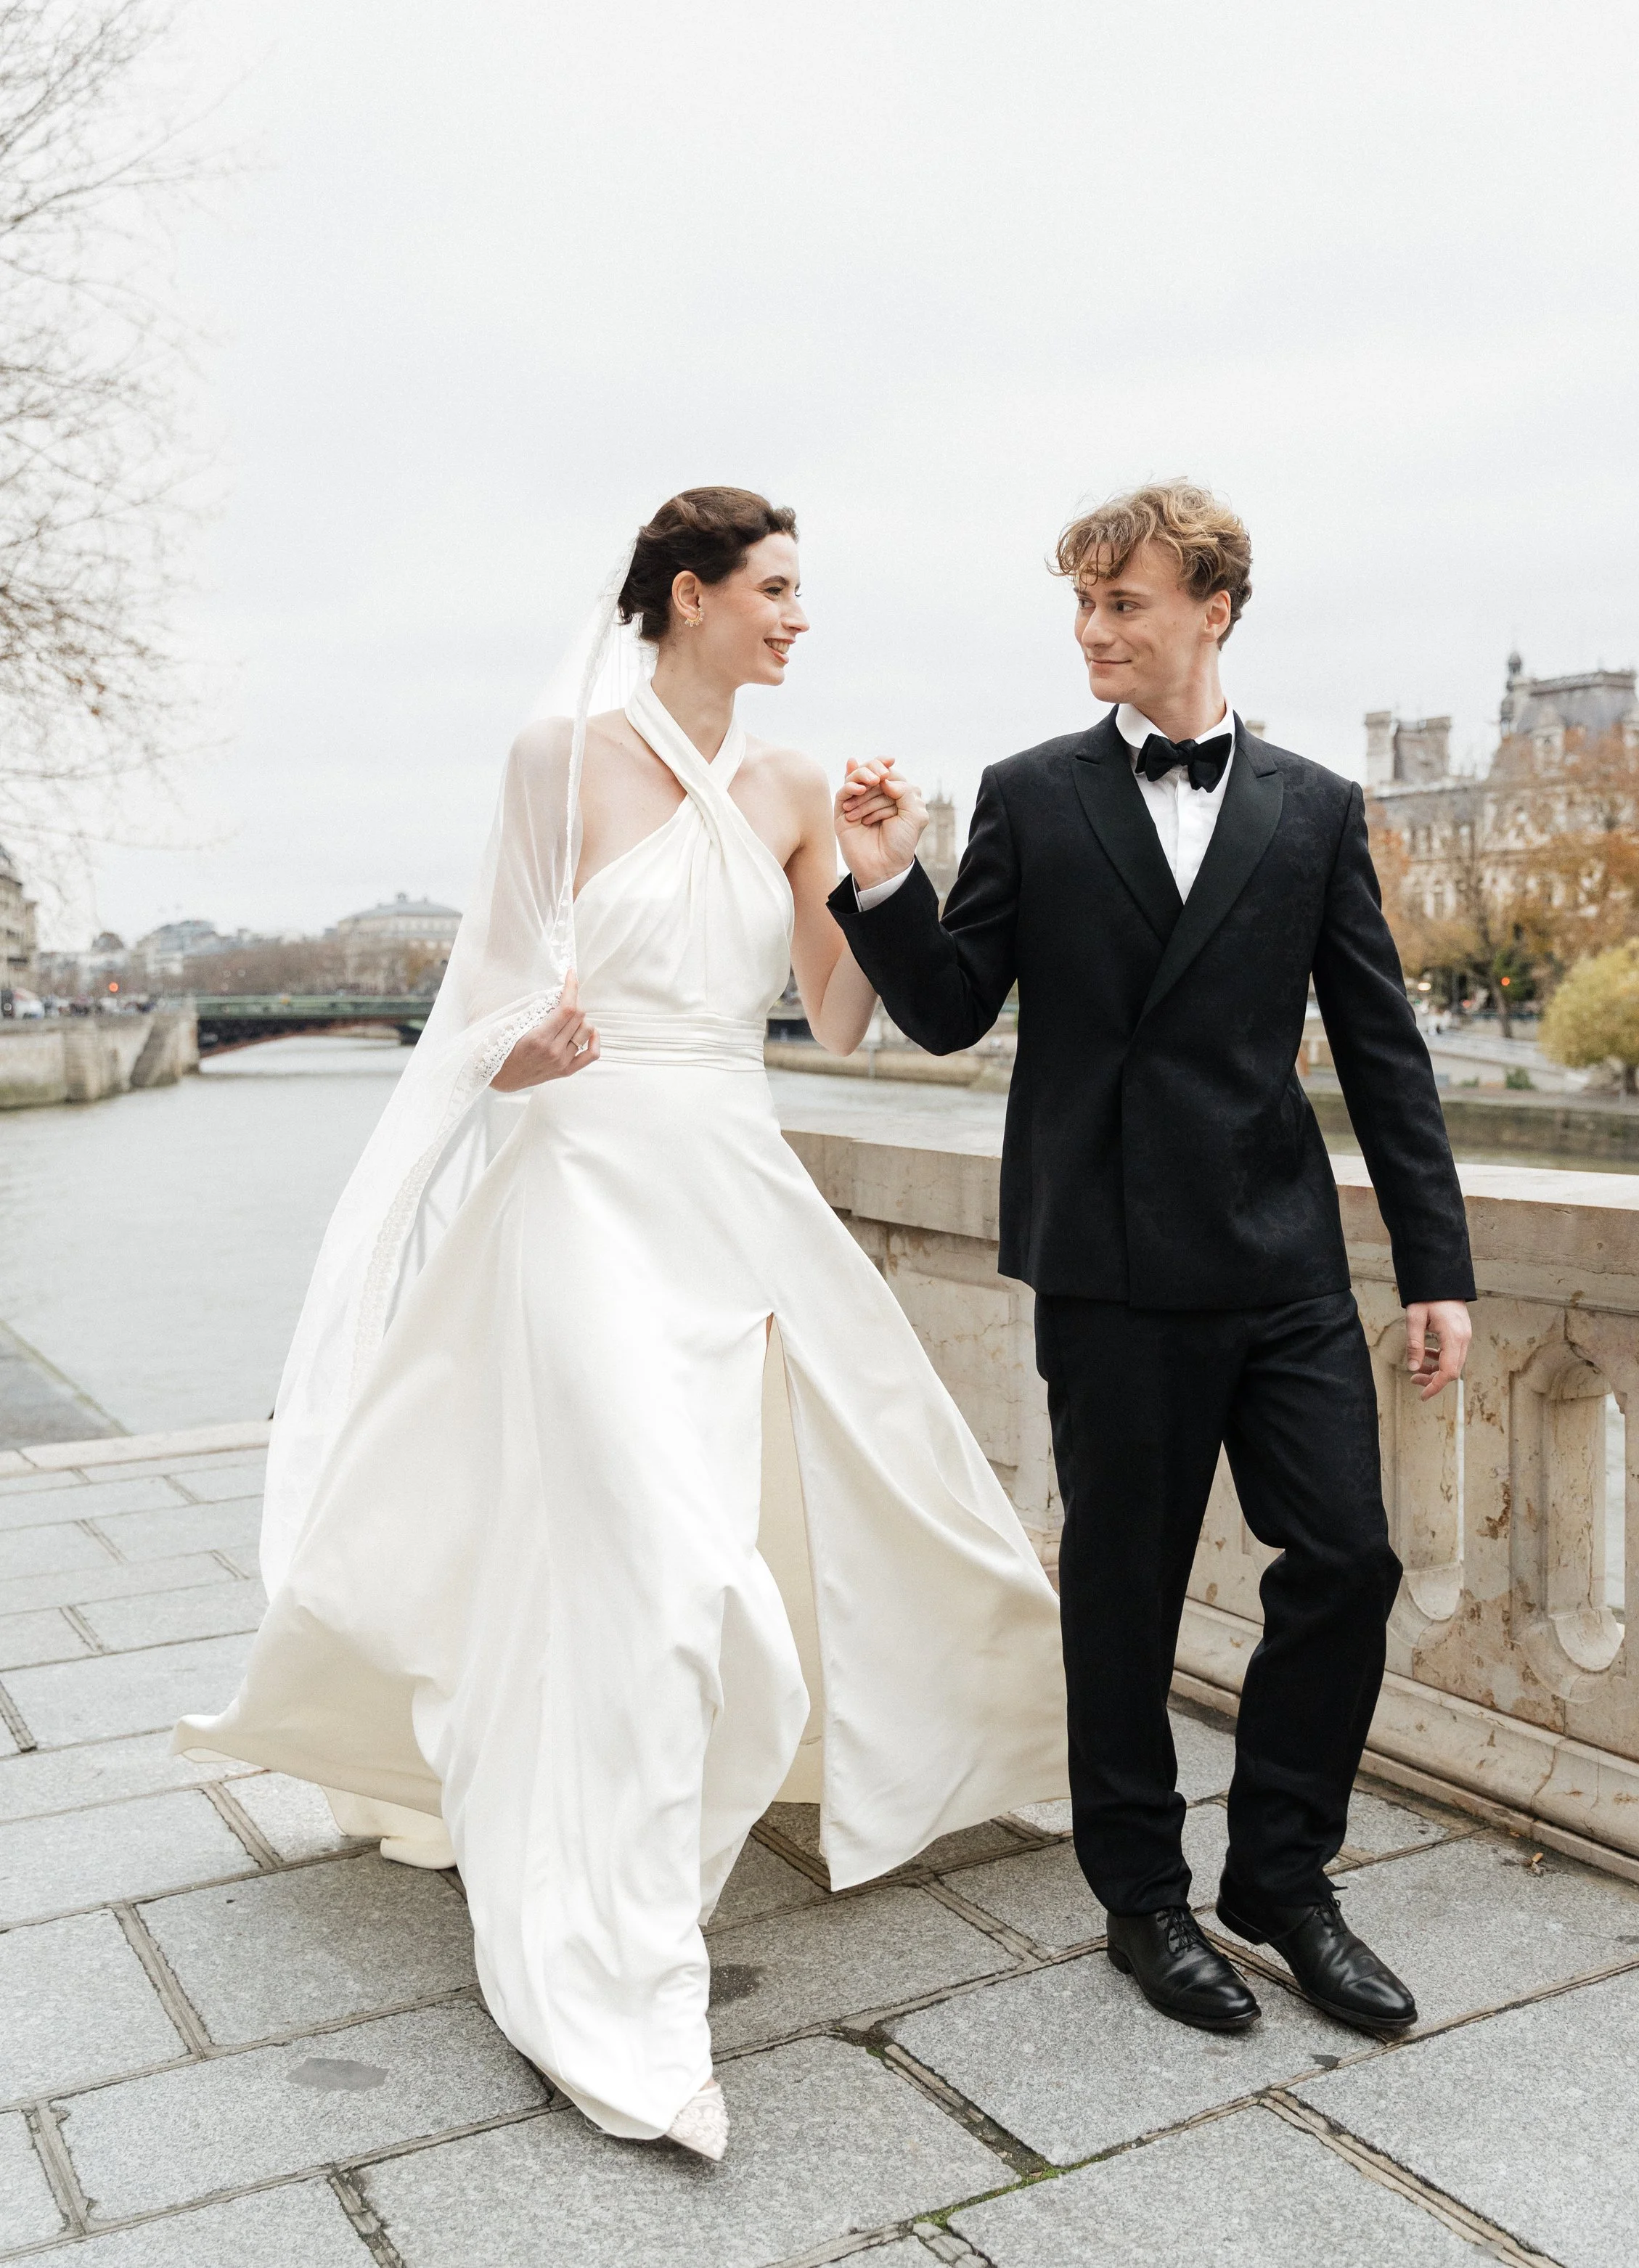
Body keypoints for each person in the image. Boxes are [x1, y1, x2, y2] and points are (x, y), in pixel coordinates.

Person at [177, 488, 1067, 2161]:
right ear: (690, 593)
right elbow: (487, 1006)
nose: (802, 617)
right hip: (582, 1189)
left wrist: (883, 874)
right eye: (779, 587)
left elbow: (841, 1022)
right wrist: (527, 1051)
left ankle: (870, 1755)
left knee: (898, 1477)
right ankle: (616, 1933)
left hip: (732, 1176)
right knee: (662, 1558)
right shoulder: (552, 757)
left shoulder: (802, 786)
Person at [831, 481, 1474, 2039]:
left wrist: (1435, 1262)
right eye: (1080, 603)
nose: (1092, 630)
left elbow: (1380, 1046)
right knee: (1120, 1591)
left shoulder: (1315, 805)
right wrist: (883, 879)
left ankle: (1281, 1876)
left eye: (1122, 602)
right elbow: (944, 1009)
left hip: (1283, 1258)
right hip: (1108, 1260)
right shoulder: (1031, 794)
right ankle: (1142, 1898)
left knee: (1344, 1559)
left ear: (1213, 608)